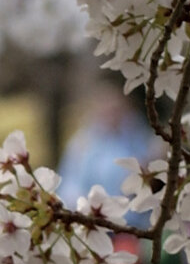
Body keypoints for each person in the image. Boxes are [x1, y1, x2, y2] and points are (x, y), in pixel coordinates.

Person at [58, 80, 156, 215]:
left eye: (116, 108)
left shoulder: (137, 136)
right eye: (106, 106)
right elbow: (70, 186)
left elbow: (149, 171)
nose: (111, 112)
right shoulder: (81, 143)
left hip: (133, 221)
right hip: (95, 220)